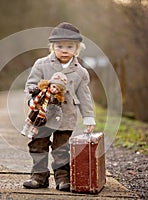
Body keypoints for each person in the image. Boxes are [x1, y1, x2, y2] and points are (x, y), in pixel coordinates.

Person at [23, 22, 96, 191]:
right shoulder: (41, 64)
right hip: (42, 115)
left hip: (66, 116)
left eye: (70, 46)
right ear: (52, 47)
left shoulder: (80, 72)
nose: (64, 50)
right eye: (60, 46)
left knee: (61, 149)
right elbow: (31, 85)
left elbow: (85, 97)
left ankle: (63, 178)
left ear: (77, 48)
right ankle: (39, 176)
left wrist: (88, 117)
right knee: (37, 144)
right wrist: (31, 101)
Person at [21, 72, 67, 139]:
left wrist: (58, 115)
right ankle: (25, 128)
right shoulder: (43, 90)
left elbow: (58, 108)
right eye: (54, 87)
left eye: (57, 89)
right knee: (31, 118)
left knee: (38, 123)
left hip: (45, 113)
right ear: (50, 84)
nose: (54, 90)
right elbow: (34, 92)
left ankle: (32, 133)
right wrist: (31, 90)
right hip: (37, 109)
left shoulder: (56, 98)